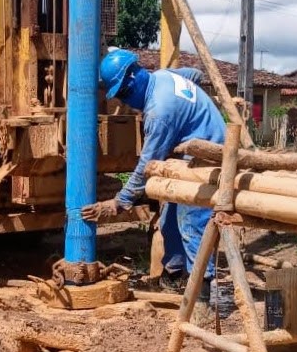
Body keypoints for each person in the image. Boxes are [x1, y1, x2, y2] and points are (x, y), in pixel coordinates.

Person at [82, 48, 225, 303]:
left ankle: (203, 292)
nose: (126, 102)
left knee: (191, 219)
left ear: (134, 78)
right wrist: (194, 110)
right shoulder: (163, 76)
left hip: (208, 154)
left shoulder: (159, 112)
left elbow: (147, 165)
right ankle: (174, 275)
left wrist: (118, 203)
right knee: (170, 215)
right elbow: (194, 74)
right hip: (192, 150)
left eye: (124, 94)